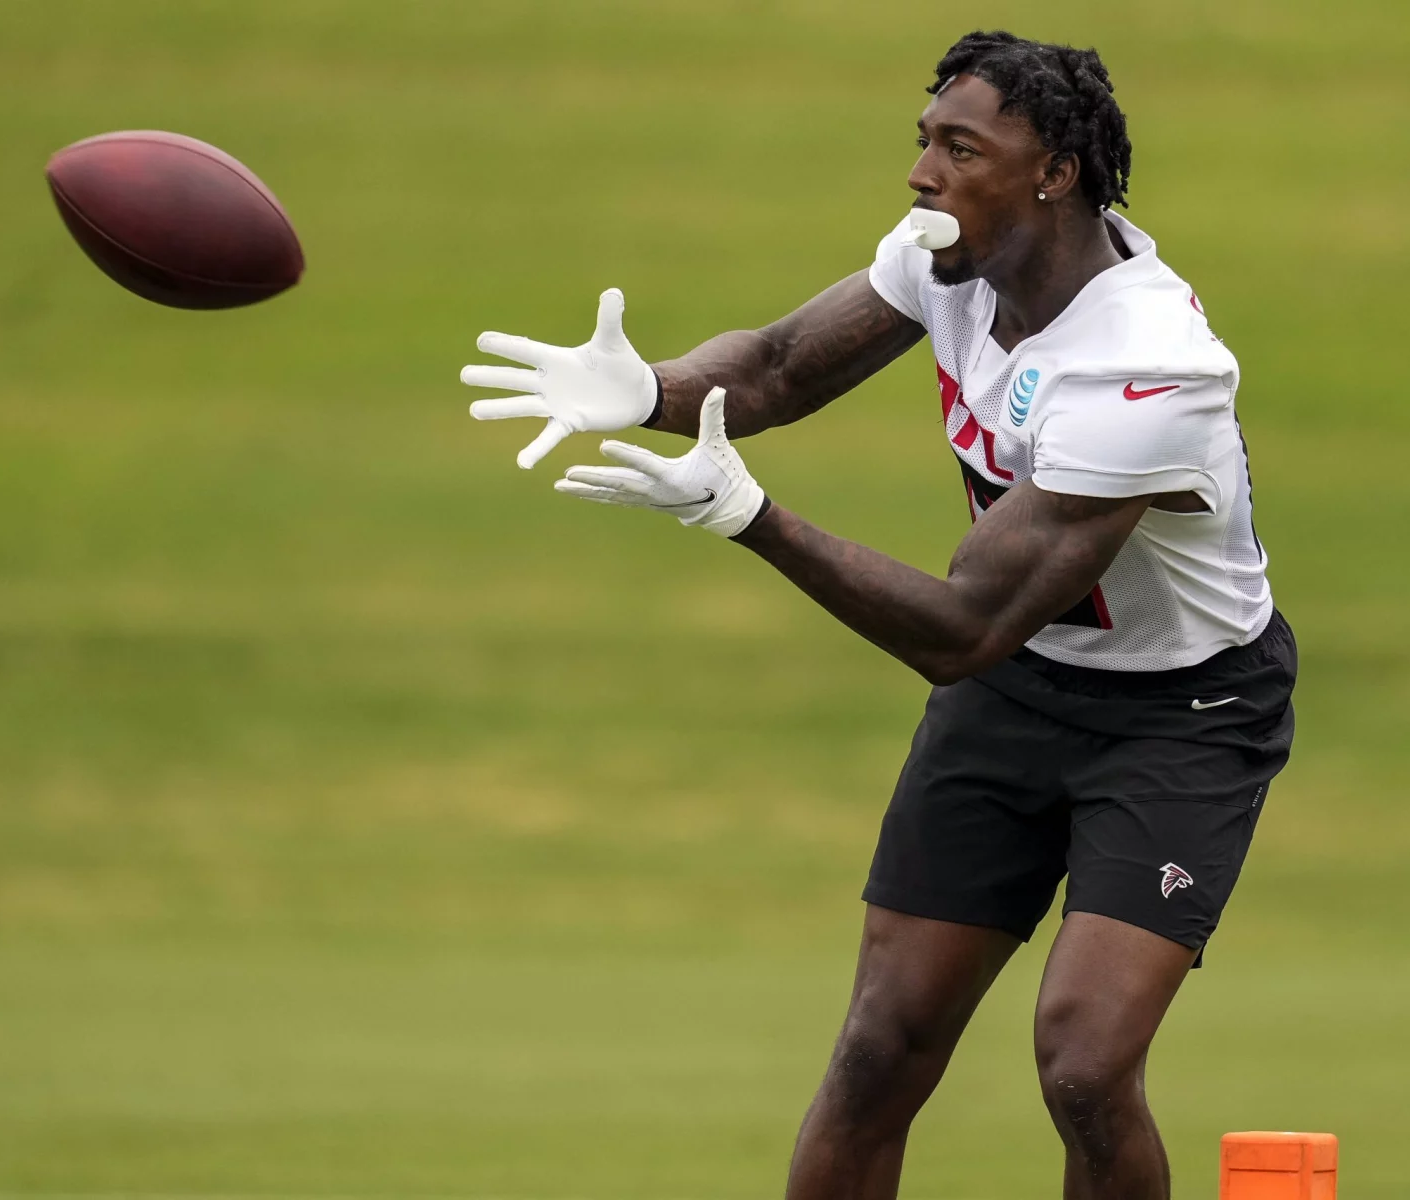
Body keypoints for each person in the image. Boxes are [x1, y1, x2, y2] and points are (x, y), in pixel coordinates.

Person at [459, 29, 1295, 1200]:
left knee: (1084, 1067)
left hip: (1179, 713)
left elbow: (961, 627)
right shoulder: (949, 262)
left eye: (961, 148)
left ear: (1054, 171)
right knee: (877, 1048)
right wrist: (650, 391)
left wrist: (755, 520)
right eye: (924, 141)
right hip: (1019, 692)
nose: (921, 174)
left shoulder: (1148, 367)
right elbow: (785, 364)